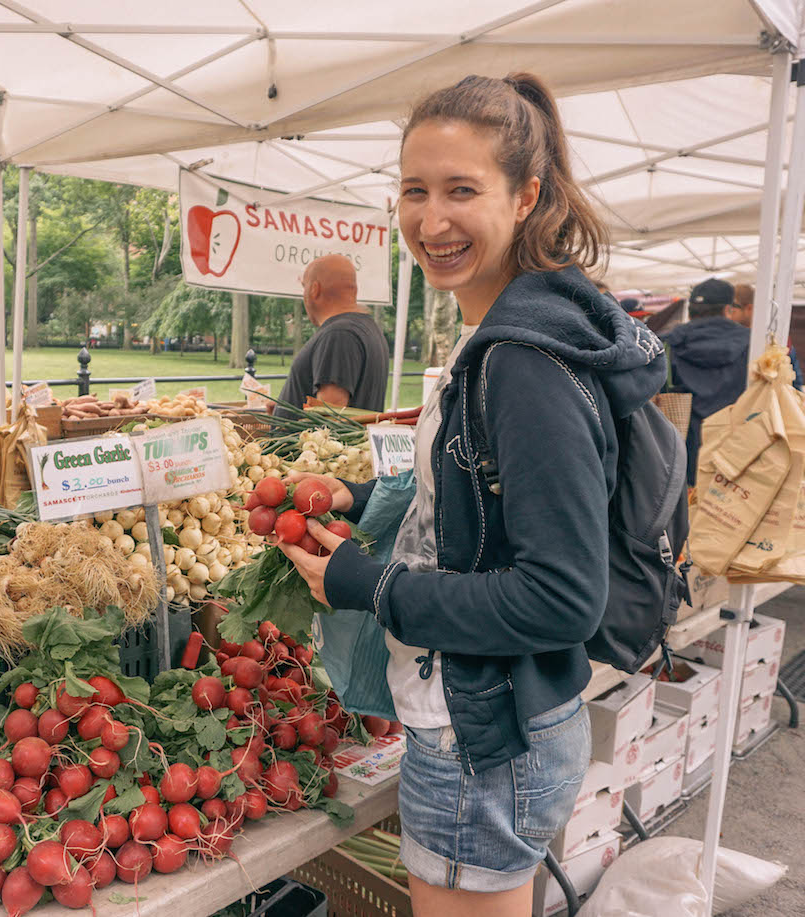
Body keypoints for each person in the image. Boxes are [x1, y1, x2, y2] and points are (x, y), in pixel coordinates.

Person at [277, 73, 666, 917]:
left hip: (482, 739)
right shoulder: (514, 329)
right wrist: (359, 497)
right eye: (415, 191)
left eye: (463, 190)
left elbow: (560, 595)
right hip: (504, 721)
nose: (432, 219)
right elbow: (487, 495)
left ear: (526, 195)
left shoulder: (523, 360)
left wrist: (368, 584)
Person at [271, 254, 389, 418]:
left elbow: (328, 417)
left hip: (307, 445)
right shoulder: (366, 328)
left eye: (304, 287)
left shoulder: (339, 335)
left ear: (314, 289)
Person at [665, 277, 751, 485]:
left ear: (691, 309)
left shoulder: (666, 344)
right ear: (728, 309)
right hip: (738, 455)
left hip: (679, 458)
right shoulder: (754, 343)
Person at [728, 283, 803, 389]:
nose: (729, 316)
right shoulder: (730, 336)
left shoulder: (777, 340)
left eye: (732, 311)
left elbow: (795, 381)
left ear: (749, 308)